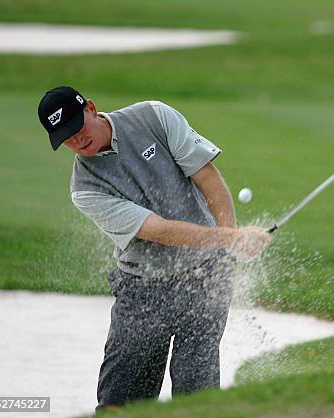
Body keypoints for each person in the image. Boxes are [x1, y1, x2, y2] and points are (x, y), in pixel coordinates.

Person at [37, 86, 272, 410]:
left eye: (78, 129)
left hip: (206, 276)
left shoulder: (154, 116)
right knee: (121, 400)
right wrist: (230, 240)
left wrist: (229, 236)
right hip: (142, 289)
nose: (77, 142)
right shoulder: (85, 189)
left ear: (90, 108)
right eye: (66, 139)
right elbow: (159, 231)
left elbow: (206, 175)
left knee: (196, 390)